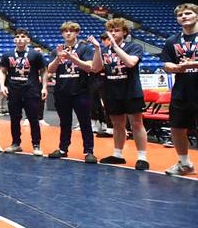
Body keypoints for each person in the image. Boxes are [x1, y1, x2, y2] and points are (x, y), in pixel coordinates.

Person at [94, 19, 149, 170]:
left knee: (136, 124)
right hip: (112, 91)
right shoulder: (104, 50)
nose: (112, 33)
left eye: (116, 30)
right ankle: (118, 155)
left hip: (131, 91)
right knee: (117, 124)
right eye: (110, 31)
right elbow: (96, 68)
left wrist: (115, 46)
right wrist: (98, 49)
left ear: (125, 32)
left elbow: (131, 63)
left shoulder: (134, 46)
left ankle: (142, 157)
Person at [46, 23, 102, 163]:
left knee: (85, 122)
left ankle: (89, 151)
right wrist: (58, 58)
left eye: (71, 31)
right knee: (65, 122)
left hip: (81, 91)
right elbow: (50, 70)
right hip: (62, 91)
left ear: (77, 33)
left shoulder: (84, 49)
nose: (68, 33)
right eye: (65, 31)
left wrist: (71, 58)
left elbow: (89, 67)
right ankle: (63, 149)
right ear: (62, 34)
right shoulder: (57, 50)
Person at [161, 3, 198, 176]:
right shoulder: (172, 41)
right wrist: (175, 68)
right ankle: (185, 164)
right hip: (182, 90)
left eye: (188, 13)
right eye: (180, 15)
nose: (184, 17)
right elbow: (167, 64)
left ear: (197, 15)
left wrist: (193, 64)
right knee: (177, 127)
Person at [0, 29, 48, 155]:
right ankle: (16, 143)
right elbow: (2, 71)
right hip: (14, 91)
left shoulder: (35, 55)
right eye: (17, 36)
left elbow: (43, 71)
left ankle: (36, 145)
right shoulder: (7, 55)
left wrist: (44, 87)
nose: (20, 39)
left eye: (23, 36)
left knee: (33, 119)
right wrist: (2, 85)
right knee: (15, 119)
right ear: (14, 39)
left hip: (31, 91)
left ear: (28, 40)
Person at [89, 34, 112, 137]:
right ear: (103, 40)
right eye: (108, 39)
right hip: (97, 80)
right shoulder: (101, 51)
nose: (110, 41)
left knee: (109, 105)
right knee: (95, 103)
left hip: (109, 81)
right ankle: (102, 124)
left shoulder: (113, 51)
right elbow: (95, 66)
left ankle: (110, 126)